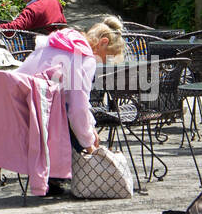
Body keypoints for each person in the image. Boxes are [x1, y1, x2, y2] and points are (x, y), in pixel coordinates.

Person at [20, 15, 125, 158]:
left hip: (17, 100)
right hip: (33, 113)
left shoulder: (64, 43)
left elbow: (78, 101)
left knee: (70, 112)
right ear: (103, 43)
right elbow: (77, 108)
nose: (103, 63)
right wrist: (89, 145)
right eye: (107, 57)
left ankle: (58, 175)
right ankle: (62, 174)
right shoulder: (85, 58)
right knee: (71, 119)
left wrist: (90, 127)